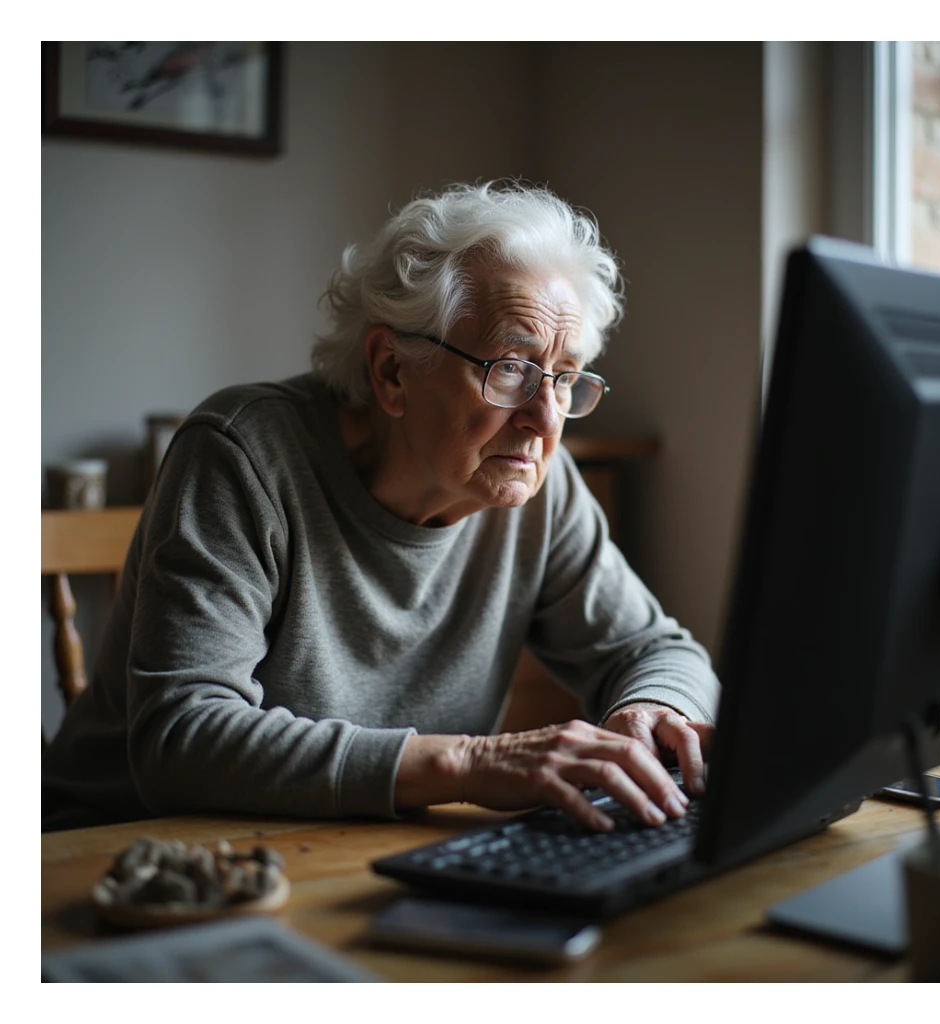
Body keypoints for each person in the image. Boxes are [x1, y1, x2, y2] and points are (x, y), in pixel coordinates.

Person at [42, 181, 720, 834]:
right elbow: (180, 739)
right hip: (127, 860)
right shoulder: (244, 454)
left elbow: (658, 651)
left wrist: (649, 710)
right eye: (510, 366)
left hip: (355, 847)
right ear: (392, 371)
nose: (546, 419)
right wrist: (469, 763)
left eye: (565, 377)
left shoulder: (543, 490)